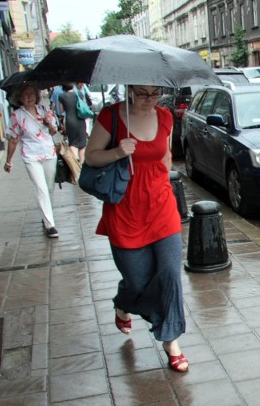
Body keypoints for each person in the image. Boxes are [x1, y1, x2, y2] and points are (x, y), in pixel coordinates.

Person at [85, 85, 188, 372]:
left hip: (161, 207)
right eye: (143, 93)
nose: (150, 99)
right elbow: (91, 156)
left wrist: (163, 184)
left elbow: (165, 158)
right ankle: (123, 302)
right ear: (129, 89)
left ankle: (171, 341)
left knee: (169, 274)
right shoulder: (111, 116)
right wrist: (118, 151)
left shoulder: (165, 116)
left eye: (155, 93)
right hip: (125, 210)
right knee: (138, 281)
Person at [4, 84, 60, 238]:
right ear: (20, 98)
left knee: (49, 188)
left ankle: (45, 214)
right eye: (25, 95)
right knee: (40, 188)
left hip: (49, 153)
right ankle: (50, 225)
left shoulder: (44, 111)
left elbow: (54, 131)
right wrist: (8, 161)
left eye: (31, 94)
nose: (29, 97)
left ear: (37, 95)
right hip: (30, 156)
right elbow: (13, 140)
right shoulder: (17, 116)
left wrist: (49, 123)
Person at [59, 83, 87, 162]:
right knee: (82, 145)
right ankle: (81, 165)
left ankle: (75, 161)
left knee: (73, 143)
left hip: (70, 121)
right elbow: (84, 105)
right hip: (81, 121)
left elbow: (61, 110)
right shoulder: (79, 94)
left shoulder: (62, 96)